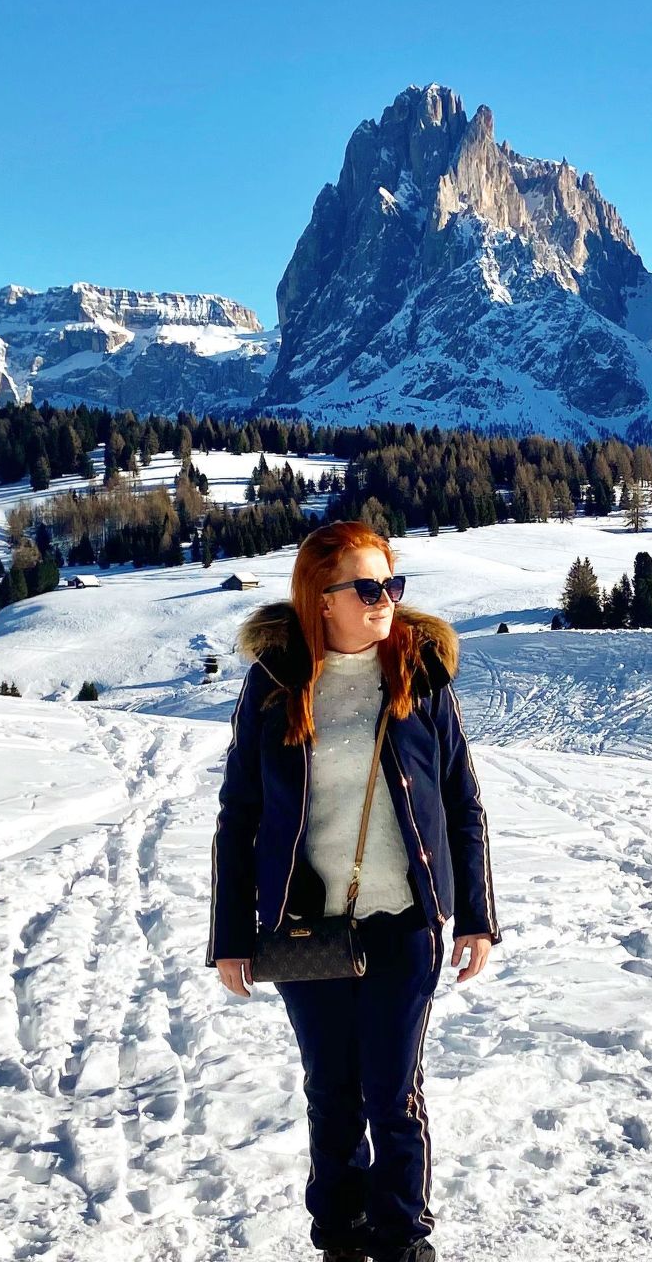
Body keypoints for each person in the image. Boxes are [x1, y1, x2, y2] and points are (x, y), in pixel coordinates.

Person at [207, 520, 500, 1262]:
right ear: (322, 599)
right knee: (332, 1097)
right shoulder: (274, 682)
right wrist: (230, 937)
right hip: (306, 929)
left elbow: (462, 801)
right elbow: (239, 816)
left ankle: (405, 1243)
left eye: (392, 586)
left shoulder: (419, 672)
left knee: (393, 1096)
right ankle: (339, 1239)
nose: (384, 601)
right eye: (367, 588)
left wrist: (476, 917)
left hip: (404, 924)